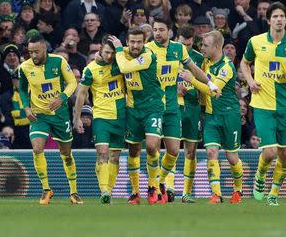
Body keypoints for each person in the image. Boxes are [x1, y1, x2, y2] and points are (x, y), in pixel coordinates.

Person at [240, 1, 286, 206]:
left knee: (285, 154)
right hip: (262, 104)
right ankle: (260, 176)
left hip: (285, 105)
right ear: (268, 20)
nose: (279, 19)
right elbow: (244, 63)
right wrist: (251, 80)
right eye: (275, 17)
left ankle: (274, 193)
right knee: (270, 151)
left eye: (282, 16)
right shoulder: (256, 42)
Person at [146, 17, 219, 203]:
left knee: (173, 152)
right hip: (154, 105)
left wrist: (210, 84)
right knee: (153, 146)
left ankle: (161, 181)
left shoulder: (178, 50)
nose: (158, 33)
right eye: (155, 29)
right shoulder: (147, 49)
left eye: (162, 29)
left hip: (172, 107)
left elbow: (194, 69)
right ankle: (153, 186)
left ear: (169, 32)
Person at [179, 30, 243, 204]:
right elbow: (192, 64)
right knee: (211, 152)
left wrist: (191, 80)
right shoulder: (204, 61)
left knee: (231, 157)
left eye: (206, 46)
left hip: (229, 115)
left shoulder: (227, 66)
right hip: (210, 116)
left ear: (217, 47)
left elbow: (214, 91)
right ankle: (217, 194)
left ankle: (238, 190)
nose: (202, 48)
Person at [18, 34, 82, 205]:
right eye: (30, 52)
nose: (33, 56)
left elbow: (72, 83)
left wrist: (61, 98)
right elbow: (22, 90)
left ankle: (74, 192)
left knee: (66, 154)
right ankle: (46, 189)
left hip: (60, 115)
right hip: (39, 116)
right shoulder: (24, 67)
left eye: (36, 52)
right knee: (37, 148)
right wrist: (26, 107)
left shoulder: (59, 62)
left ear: (44, 49)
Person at [108, 27, 164, 205]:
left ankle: (153, 186)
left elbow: (124, 67)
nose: (135, 45)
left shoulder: (147, 55)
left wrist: (117, 50)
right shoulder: (123, 51)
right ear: (127, 42)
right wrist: (100, 56)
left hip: (153, 107)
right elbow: (105, 55)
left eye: (139, 41)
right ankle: (135, 192)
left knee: (151, 146)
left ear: (144, 41)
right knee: (133, 150)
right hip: (132, 109)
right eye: (132, 41)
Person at [74, 39, 125, 204]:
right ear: (100, 50)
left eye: (112, 53)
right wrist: (77, 118)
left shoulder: (121, 63)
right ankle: (104, 190)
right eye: (106, 53)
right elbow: (81, 94)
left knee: (115, 157)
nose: (109, 56)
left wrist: (119, 48)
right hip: (101, 116)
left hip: (121, 116)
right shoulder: (90, 69)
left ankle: (108, 191)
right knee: (103, 153)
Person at [174, 24, 203, 203]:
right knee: (171, 149)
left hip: (192, 107)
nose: (185, 48)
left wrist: (192, 90)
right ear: (177, 39)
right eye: (183, 44)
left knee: (190, 151)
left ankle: (186, 192)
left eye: (189, 45)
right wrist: (173, 87)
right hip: (172, 106)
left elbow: (204, 82)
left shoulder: (199, 58)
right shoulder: (168, 53)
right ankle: (167, 189)